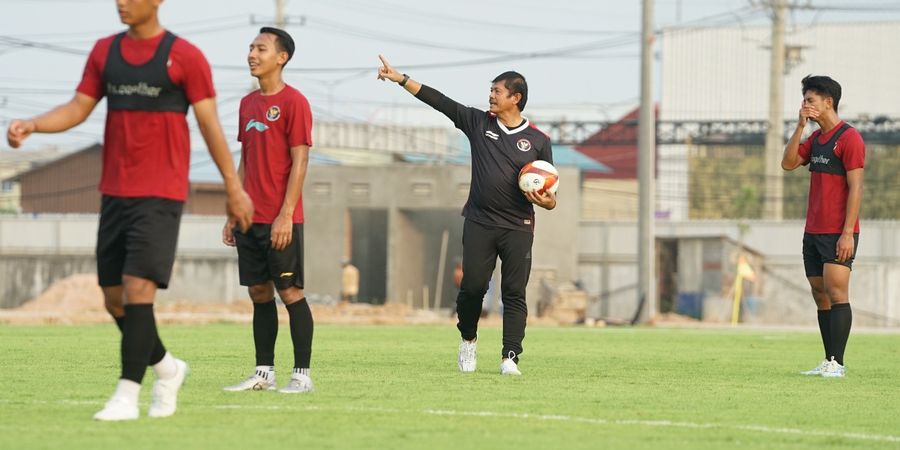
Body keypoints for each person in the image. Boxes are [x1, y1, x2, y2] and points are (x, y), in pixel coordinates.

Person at [5, 0, 254, 420]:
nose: (121, 2)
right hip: (115, 192)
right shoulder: (105, 51)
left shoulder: (186, 57)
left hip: (161, 193)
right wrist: (33, 124)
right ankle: (168, 369)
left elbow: (211, 125)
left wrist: (234, 187)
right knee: (114, 299)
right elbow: (78, 107)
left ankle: (126, 395)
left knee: (139, 291)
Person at [377, 55, 557, 376]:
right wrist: (401, 78)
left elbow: (551, 199)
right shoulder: (478, 123)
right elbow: (440, 101)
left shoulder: (540, 142)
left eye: (497, 91)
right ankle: (468, 339)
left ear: (515, 98)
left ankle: (510, 357)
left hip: (519, 226)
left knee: (514, 292)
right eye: (490, 90)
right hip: (480, 222)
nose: (490, 95)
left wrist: (543, 200)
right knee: (473, 288)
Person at [222, 27, 315, 394]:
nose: (252, 54)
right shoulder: (247, 104)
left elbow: (300, 161)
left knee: (290, 293)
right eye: (250, 48)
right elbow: (245, 160)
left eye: (260, 48)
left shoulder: (295, 102)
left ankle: (302, 376)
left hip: (282, 220)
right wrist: (234, 208)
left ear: (282, 57)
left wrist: (286, 213)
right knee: (259, 293)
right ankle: (263, 373)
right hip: (250, 218)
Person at [782, 75, 865, 378]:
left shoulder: (850, 138)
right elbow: (788, 163)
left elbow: (856, 188)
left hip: (838, 232)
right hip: (812, 231)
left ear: (828, 102)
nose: (804, 105)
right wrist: (800, 126)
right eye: (804, 100)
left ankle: (838, 364)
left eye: (810, 100)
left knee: (837, 292)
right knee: (820, 293)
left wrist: (847, 233)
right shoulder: (814, 139)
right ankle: (829, 359)